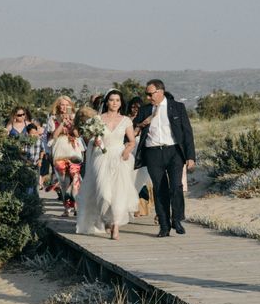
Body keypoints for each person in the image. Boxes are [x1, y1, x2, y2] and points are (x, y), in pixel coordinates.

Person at [133, 79, 196, 237]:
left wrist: (190, 157)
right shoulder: (145, 110)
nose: (148, 97)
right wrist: (141, 124)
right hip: (153, 153)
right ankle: (164, 225)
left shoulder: (177, 107)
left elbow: (187, 133)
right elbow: (132, 131)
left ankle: (177, 219)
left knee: (176, 186)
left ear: (160, 92)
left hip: (174, 151)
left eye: (150, 94)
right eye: (146, 94)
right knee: (159, 190)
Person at [76, 89, 138, 240]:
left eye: (117, 100)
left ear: (121, 103)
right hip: (101, 157)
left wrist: (127, 151)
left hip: (119, 157)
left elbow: (131, 141)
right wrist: (95, 142)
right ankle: (105, 218)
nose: (114, 103)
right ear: (106, 102)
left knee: (118, 193)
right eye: (111, 100)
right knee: (104, 193)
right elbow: (89, 138)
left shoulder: (126, 120)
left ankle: (115, 225)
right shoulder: (98, 119)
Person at [50, 96, 83, 216]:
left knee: (75, 179)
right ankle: (66, 208)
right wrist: (62, 123)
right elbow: (54, 135)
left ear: (70, 105)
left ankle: (76, 206)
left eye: (66, 104)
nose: (64, 107)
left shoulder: (75, 118)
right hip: (60, 151)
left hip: (74, 150)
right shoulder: (53, 118)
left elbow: (77, 134)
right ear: (58, 106)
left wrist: (71, 123)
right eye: (62, 104)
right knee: (64, 182)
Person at [23, 123, 44, 191]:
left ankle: (35, 199)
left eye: (35, 133)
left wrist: (40, 159)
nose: (34, 135)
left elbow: (42, 150)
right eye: (32, 133)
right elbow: (20, 153)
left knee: (36, 183)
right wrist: (26, 161)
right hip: (27, 165)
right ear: (28, 133)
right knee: (28, 184)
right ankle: (28, 199)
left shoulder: (39, 140)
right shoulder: (24, 142)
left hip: (36, 165)